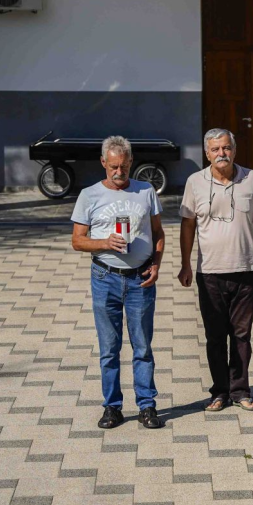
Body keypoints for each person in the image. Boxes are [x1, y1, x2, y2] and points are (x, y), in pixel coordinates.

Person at [71, 136, 166, 429]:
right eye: (113, 166)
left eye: (124, 166)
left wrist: (156, 264)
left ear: (131, 163)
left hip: (140, 277)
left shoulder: (145, 191)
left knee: (142, 346)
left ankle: (147, 406)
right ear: (103, 163)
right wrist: (104, 242)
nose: (118, 172)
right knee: (110, 348)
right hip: (105, 277)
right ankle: (112, 407)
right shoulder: (89, 195)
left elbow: (159, 234)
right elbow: (77, 241)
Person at [178, 128, 253, 413]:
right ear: (207, 153)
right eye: (216, 149)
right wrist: (185, 263)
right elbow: (187, 226)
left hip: (246, 269)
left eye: (226, 148)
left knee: (242, 335)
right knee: (216, 336)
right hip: (209, 273)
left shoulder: (251, 178)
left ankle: (241, 390)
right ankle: (219, 392)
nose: (222, 154)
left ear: (234, 149)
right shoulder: (194, 182)